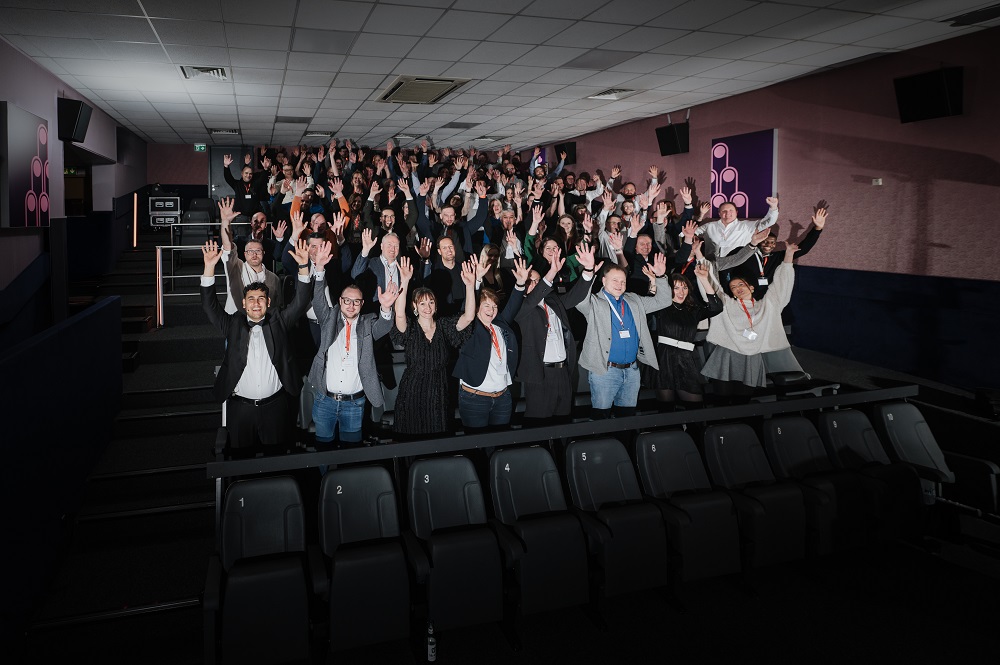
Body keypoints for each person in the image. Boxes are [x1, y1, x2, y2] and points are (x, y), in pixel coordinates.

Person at [200, 239, 312, 458]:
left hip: (276, 407)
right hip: (240, 410)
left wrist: (303, 267)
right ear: (243, 303)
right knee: (242, 463)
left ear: (268, 302)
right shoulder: (232, 324)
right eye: (251, 299)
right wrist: (209, 267)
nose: (256, 303)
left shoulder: (279, 321)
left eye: (261, 298)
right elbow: (209, 306)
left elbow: (301, 301)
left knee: (277, 461)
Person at [307, 240, 399, 448]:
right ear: (340, 301)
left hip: (354, 404)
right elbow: (318, 300)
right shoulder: (329, 318)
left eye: (356, 301)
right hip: (325, 401)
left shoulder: (368, 323)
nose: (351, 305)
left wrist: (385, 308)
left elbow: (384, 327)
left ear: (362, 304)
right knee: (323, 450)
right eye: (347, 300)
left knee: (351, 452)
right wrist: (319, 269)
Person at [701, 242, 806, 398]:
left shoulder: (767, 305)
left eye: (741, 284)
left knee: (743, 402)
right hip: (726, 356)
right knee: (721, 401)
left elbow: (781, 286)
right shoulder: (727, 304)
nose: (737, 288)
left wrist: (789, 255)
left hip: (751, 359)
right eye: (733, 287)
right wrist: (699, 258)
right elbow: (712, 290)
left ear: (751, 287)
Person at [576, 253, 674, 419]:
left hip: (632, 371)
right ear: (603, 280)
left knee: (627, 419)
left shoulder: (633, 300)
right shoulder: (594, 302)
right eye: (614, 280)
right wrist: (588, 272)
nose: (619, 284)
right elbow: (579, 300)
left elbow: (663, 301)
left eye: (623, 281)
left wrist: (661, 277)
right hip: (604, 371)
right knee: (601, 418)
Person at [390, 255, 476, 438]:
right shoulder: (411, 328)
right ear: (415, 306)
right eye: (422, 303)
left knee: (439, 444)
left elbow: (468, 317)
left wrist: (470, 286)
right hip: (412, 395)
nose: (427, 307)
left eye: (430, 302)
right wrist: (404, 281)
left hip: (438, 395)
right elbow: (398, 314)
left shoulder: (445, 326)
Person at [515, 245, 595, 426]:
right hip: (539, 374)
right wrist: (551, 272)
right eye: (529, 281)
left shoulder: (553, 301)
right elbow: (534, 296)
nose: (533, 284)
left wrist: (588, 271)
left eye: (536, 280)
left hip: (563, 371)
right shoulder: (521, 307)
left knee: (563, 423)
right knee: (539, 427)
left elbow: (576, 296)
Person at [452, 258, 531, 432]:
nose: (491, 310)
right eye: (486, 305)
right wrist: (477, 281)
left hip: (503, 397)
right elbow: (468, 309)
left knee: (501, 445)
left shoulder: (500, 323)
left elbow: (513, 305)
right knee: (477, 446)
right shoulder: (470, 326)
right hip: (475, 398)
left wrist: (519, 283)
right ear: (477, 307)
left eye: (494, 306)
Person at [645, 264, 723, 410]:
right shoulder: (661, 307)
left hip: (686, 359)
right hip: (664, 359)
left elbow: (717, 307)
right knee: (666, 409)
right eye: (676, 288)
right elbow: (649, 305)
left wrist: (704, 280)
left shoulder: (693, 310)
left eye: (684, 287)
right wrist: (653, 283)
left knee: (696, 407)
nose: (681, 292)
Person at [218, 197, 282, 314]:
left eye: (257, 251)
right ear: (244, 254)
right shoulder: (236, 268)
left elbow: (276, 306)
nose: (254, 254)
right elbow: (227, 246)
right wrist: (226, 222)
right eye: (250, 251)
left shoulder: (274, 279)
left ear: (263, 253)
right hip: (237, 323)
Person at [696, 196, 779, 259]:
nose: (728, 213)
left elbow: (769, 221)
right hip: (712, 265)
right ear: (719, 214)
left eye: (731, 210)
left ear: (736, 212)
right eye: (724, 211)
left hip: (738, 266)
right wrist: (700, 216)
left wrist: (773, 207)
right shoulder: (709, 226)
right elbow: (690, 233)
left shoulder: (747, 226)